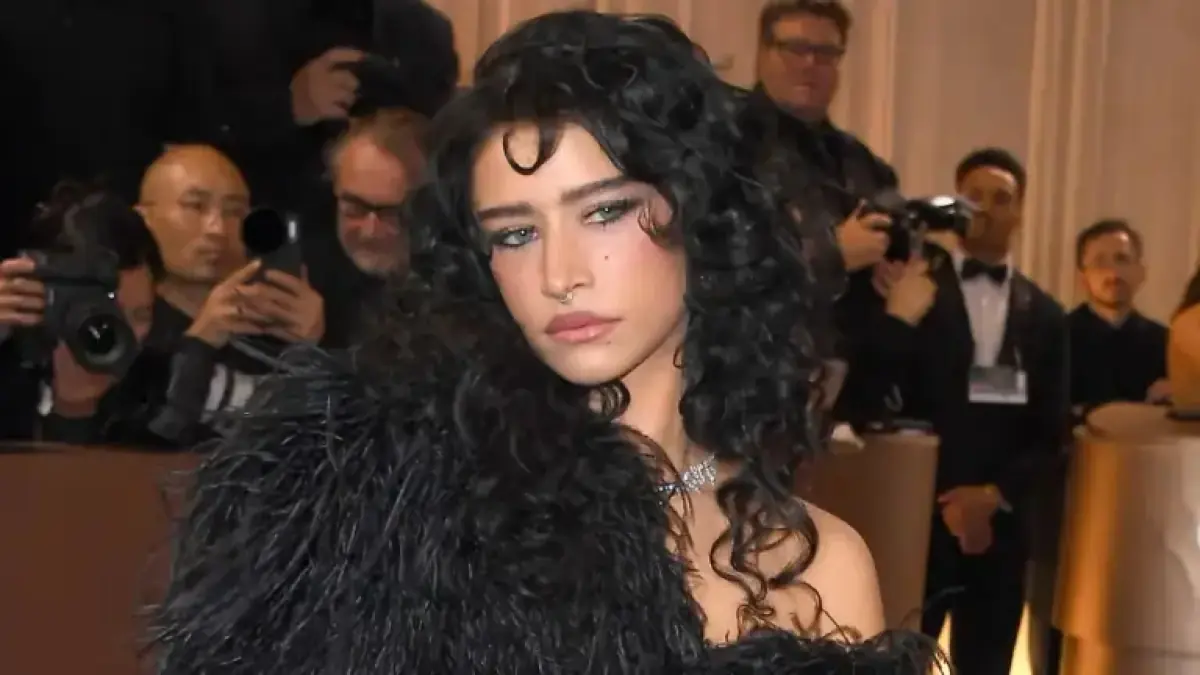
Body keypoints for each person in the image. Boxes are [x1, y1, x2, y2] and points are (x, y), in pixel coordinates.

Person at [151, 11, 941, 674]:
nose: (560, 274)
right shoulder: (393, 512)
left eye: (604, 212)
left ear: (700, 216)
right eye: (516, 232)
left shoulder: (820, 563)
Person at [871, 148, 1069, 674]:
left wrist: (990, 496)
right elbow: (884, 393)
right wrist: (950, 500)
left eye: (1001, 198)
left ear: (1020, 212)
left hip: (1002, 527)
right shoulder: (915, 289)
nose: (986, 208)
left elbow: (1052, 433)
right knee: (898, 662)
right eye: (973, 196)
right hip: (918, 516)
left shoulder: (1047, 315)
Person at [0, 183, 163, 443]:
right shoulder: (11, 371)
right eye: (100, 313)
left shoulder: (165, 395)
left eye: (140, 316)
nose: (116, 336)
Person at [311, 108, 429, 347]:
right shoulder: (310, 268)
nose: (369, 231)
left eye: (391, 213)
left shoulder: (463, 294)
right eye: (354, 207)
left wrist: (319, 345)